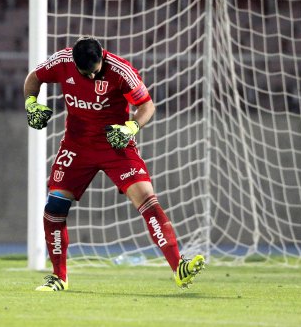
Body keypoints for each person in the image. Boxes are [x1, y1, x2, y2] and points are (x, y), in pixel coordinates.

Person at [24, 36, 205, 291]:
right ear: (74, 64)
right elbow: (34, 78)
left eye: (94, 71)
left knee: (147, 198)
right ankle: (59, 277)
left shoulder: (120, 70)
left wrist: (132, 126)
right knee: (54, 207)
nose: (89, 77)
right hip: (77, 146)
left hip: (116, 143)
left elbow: (147, 105)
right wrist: (31, 103)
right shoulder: (61, 61)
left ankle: (179, 267)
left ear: (102, 58)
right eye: (83, 73)